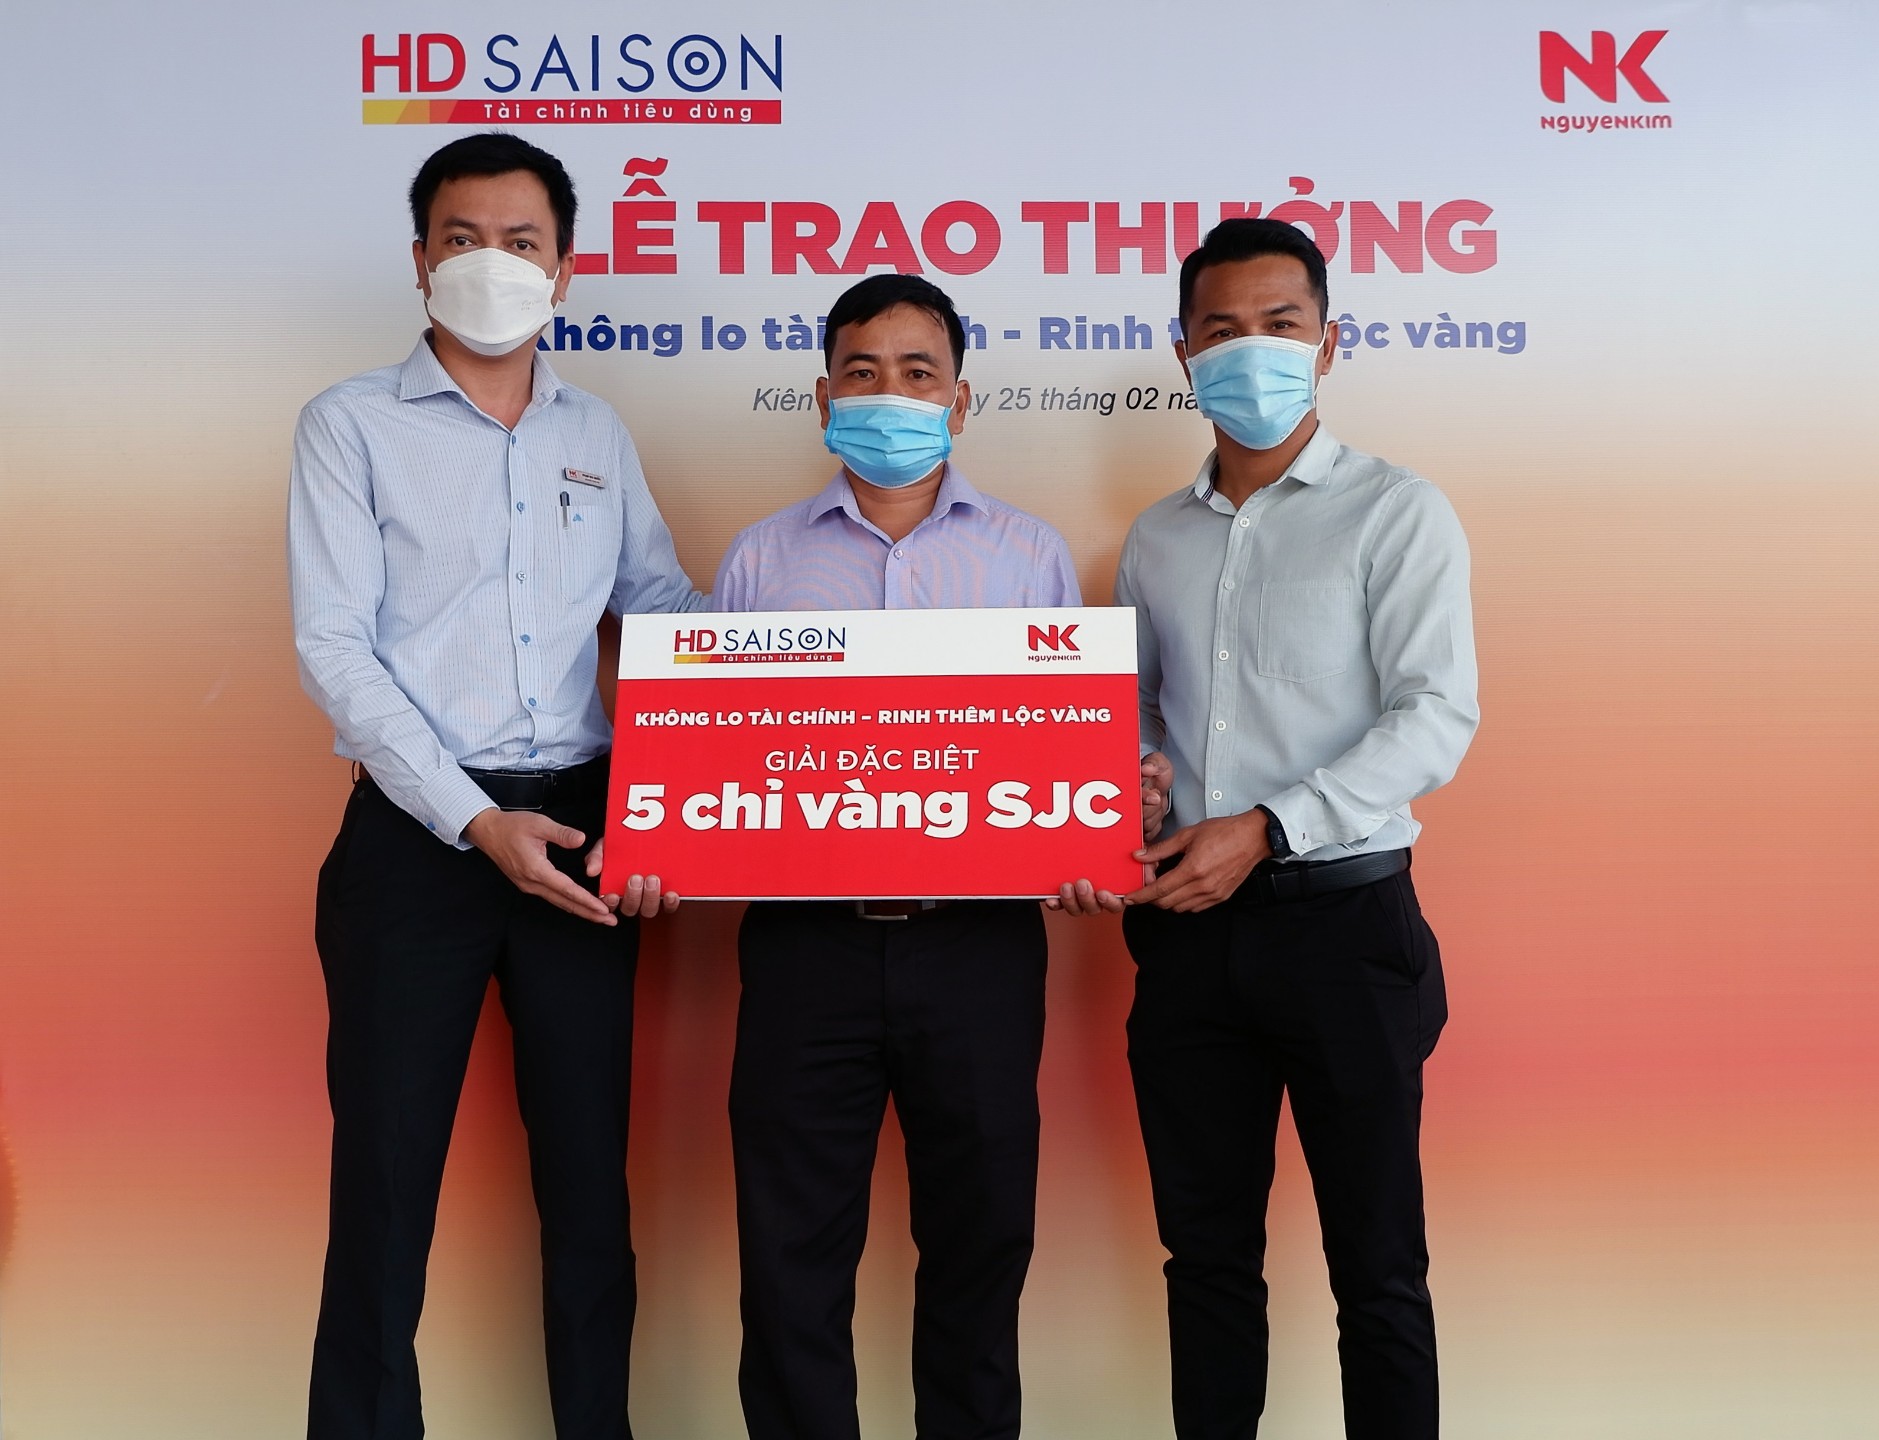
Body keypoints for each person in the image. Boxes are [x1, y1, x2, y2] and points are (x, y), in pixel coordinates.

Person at [288, 131, 705, 1440]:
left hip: (578, 835)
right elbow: (334, 650)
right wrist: (473, 819)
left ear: (564, 269)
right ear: (420, 259)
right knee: (385, 1190)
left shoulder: (595, 432)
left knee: (589, 1192)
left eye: (521, 242)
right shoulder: (350, 424)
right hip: (418, 839)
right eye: (462, 239)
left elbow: (659, 611)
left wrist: (817, 689)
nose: (491, 263)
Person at [1054, 217, 1478, 1439]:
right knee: (1204, 1266)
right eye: (1221, 328)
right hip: (1188, 941)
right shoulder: (1155, 538)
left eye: (1280, 324)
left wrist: (1267, 827)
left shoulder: (1395, 512)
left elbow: (1434, 717)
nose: (1251, 349)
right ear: (1181, 350)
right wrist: (1127, 794)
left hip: (1345, 928)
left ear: (1327, 344)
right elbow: (1140, 722)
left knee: (1377, 1270)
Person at [711, 273, 1081, 1440]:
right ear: (822, 396)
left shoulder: (1029, 556)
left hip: (976, 947)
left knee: (980, 1244)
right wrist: (670, 838)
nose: (889, 394)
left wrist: (1097, 823)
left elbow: (1071, 747)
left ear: (959, 400)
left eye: (917, 373)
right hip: (802, 948)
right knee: (787, 1256)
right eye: (861, 373)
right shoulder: (758, 562)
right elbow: (712, 757)